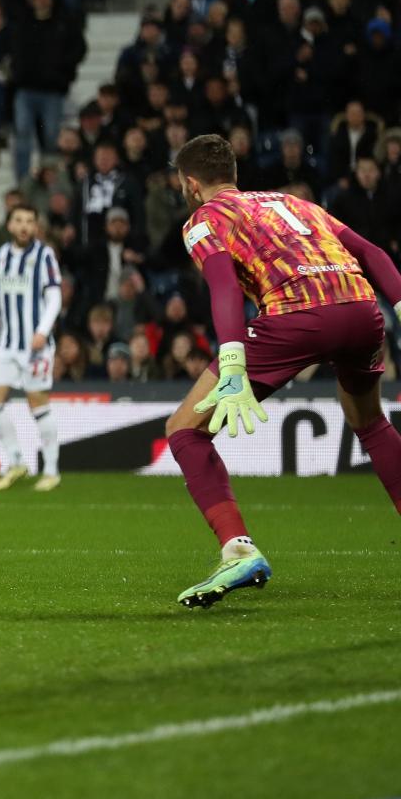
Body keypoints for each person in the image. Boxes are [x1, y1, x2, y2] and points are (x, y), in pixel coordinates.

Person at [167, 134, 401, 608]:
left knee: (184, 430)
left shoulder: (204, 219)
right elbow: (373, 253)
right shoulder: (291, 201)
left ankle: (237, 548)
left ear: (191, 184)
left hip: (296, 315)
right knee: (371, 423)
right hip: (361, 309)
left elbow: (224, 287)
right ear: (233, 173)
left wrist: (231, 358)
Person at [0, 205, 64, 492]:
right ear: (10, 225)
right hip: (6, 344)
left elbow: (54, 297)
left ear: (36, 226)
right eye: (19, 220)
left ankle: (51, 470)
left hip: (35, 347)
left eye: (30, 220)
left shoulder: (44, 255)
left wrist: (42, 331)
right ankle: (16, 462)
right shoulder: (0, 256)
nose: (24, 226)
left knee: (37, 403)